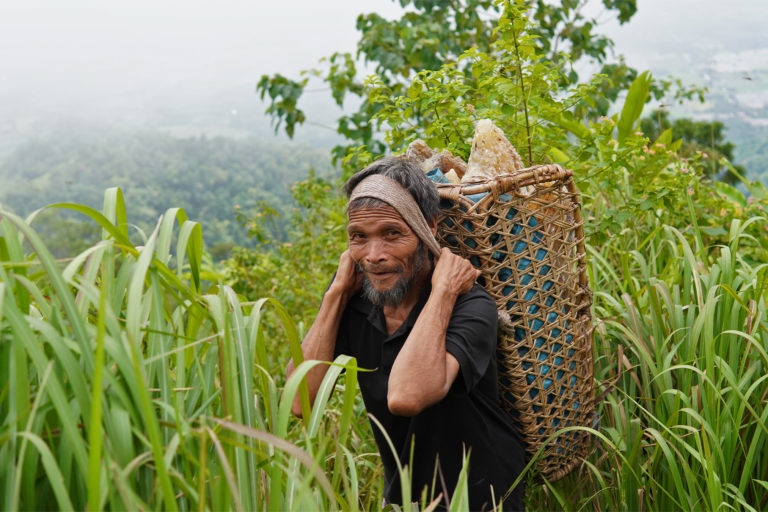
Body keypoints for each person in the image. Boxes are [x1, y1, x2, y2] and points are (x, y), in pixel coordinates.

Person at [286, 157, 526, 511]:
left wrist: (443, 291)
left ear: (427, 226)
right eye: (359, 238)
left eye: (392, 234)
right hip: (405, 498)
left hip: (481, 496)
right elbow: (299, 401)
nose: (374, 256)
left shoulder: (470, 305)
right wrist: (336, 293)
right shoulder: (357, 303)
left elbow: (405, 397)